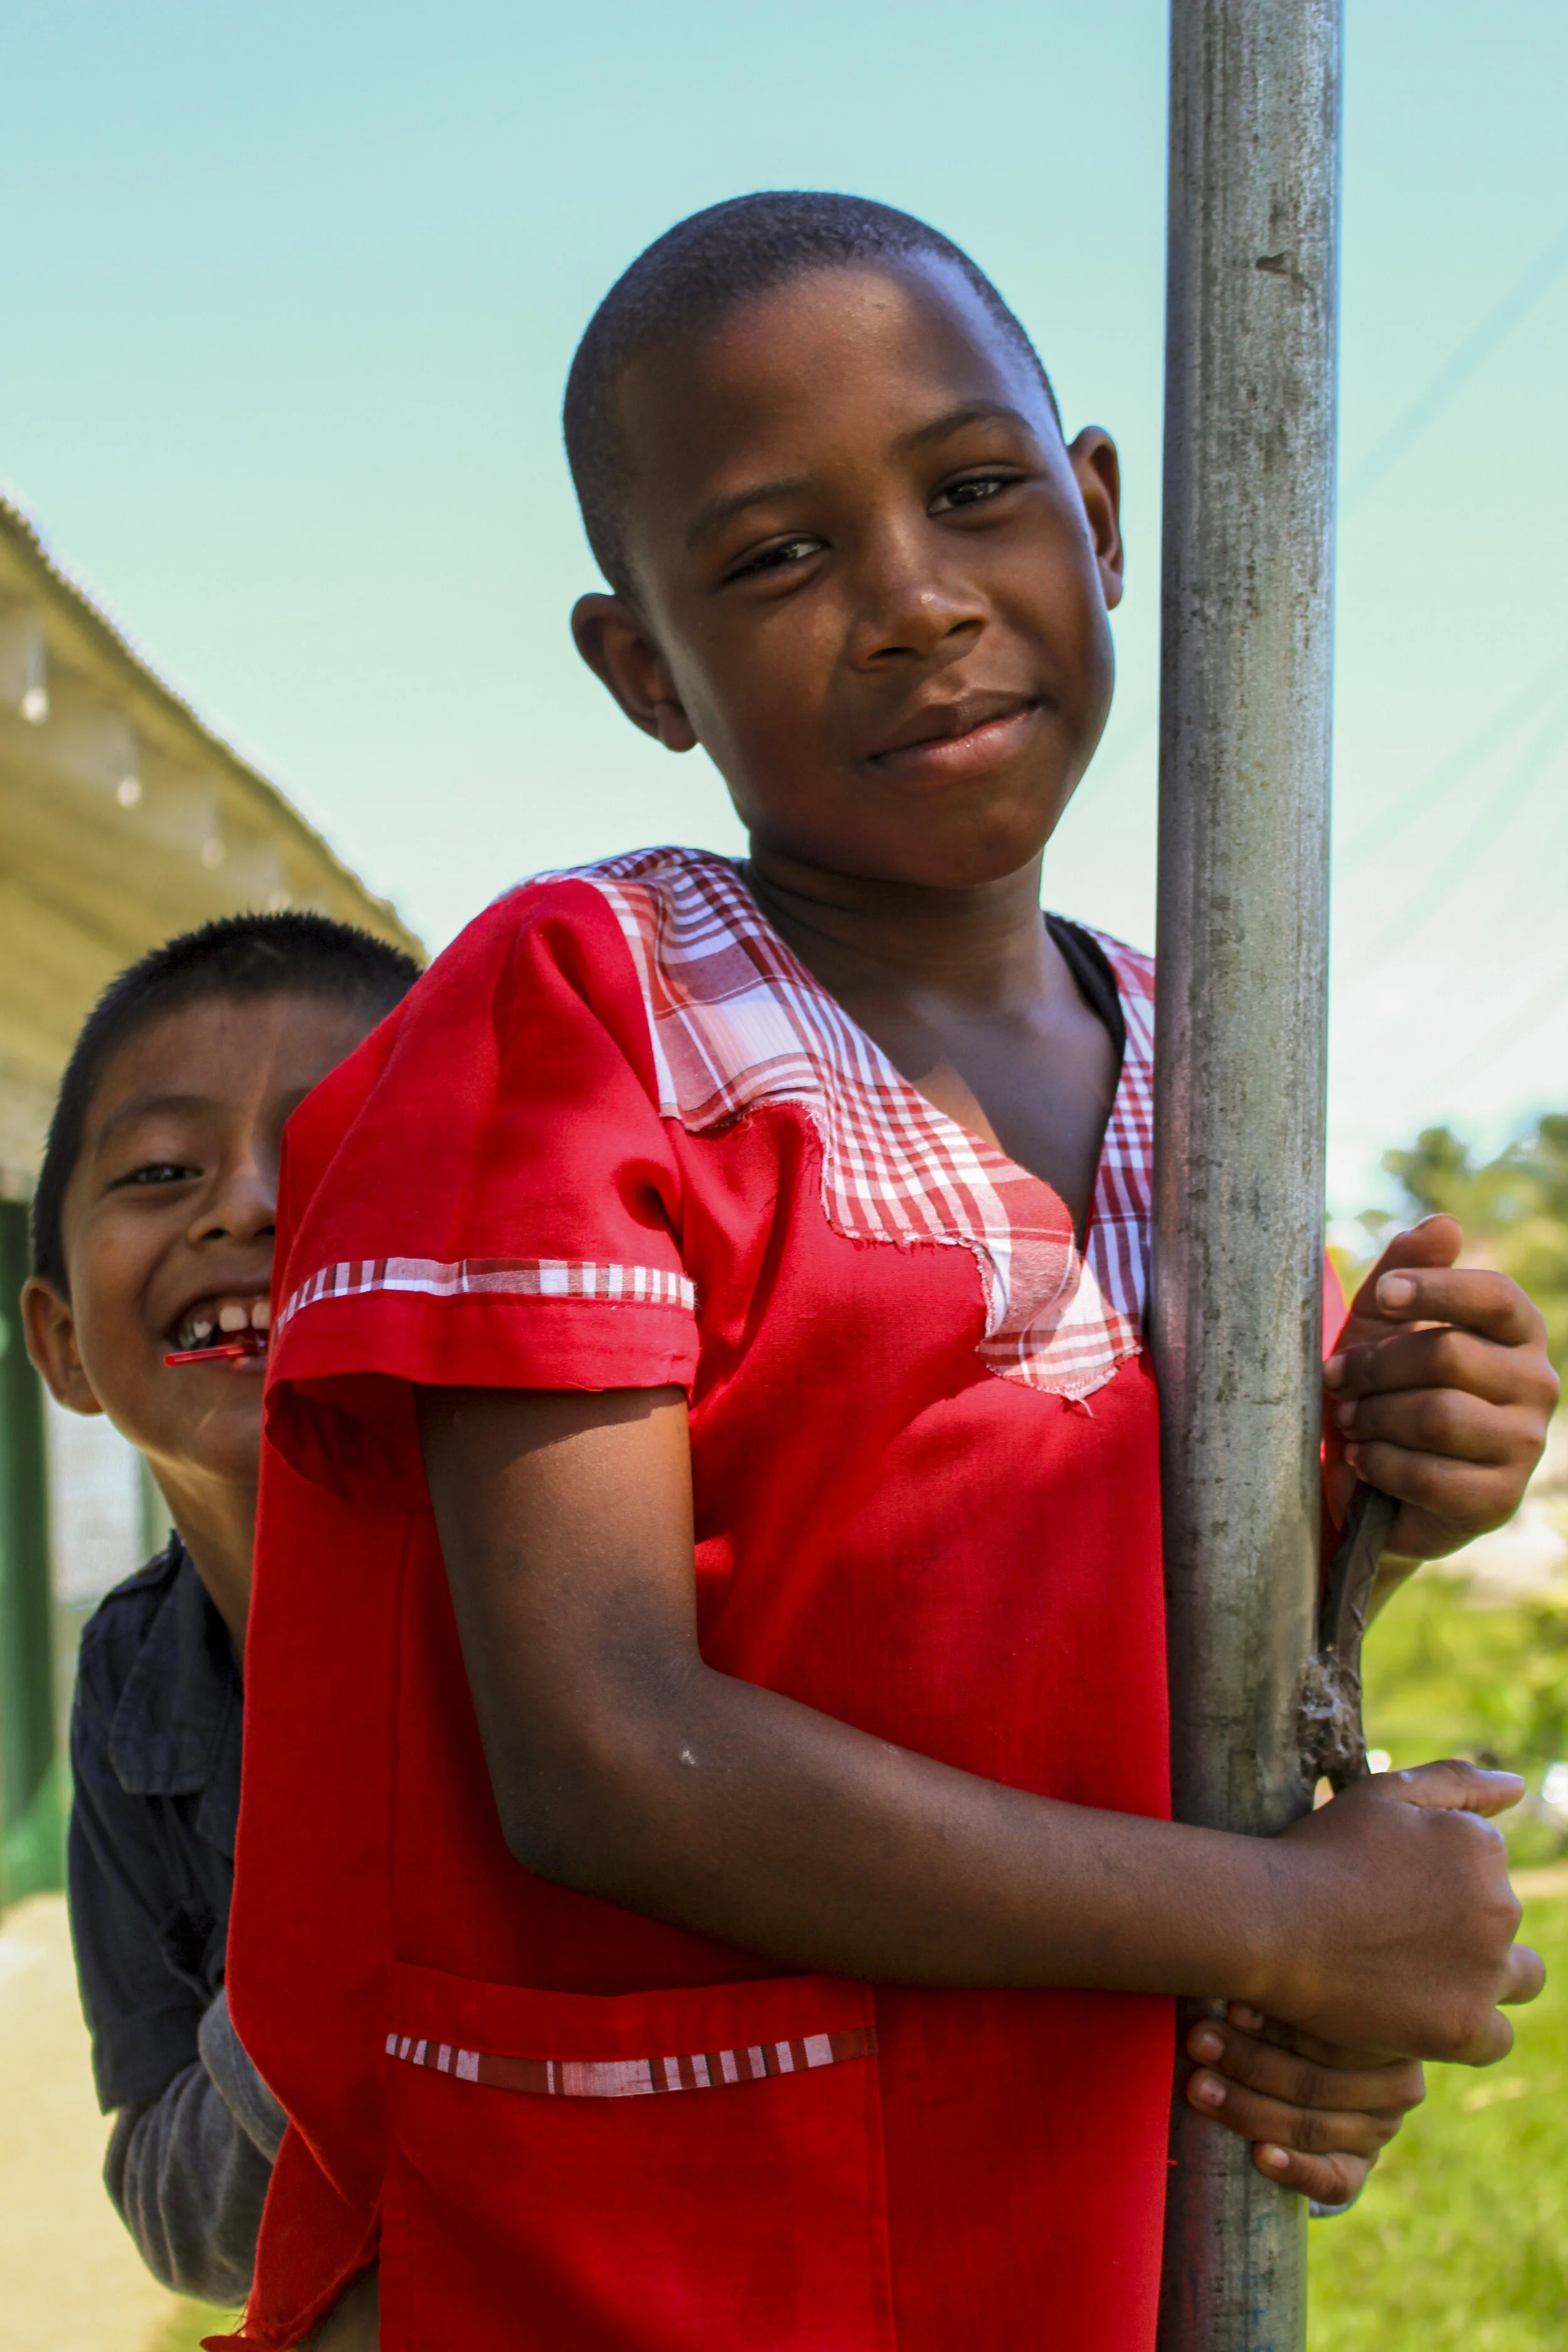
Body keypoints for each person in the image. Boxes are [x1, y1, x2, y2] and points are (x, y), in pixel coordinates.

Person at [227, 195, 1558, 2351]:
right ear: (641, 665)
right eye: (775, 556)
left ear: (1101, 515)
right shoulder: (589, 1013)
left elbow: (1201, 1632)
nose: (917, 604)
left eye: (973, 492)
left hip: (1062, 2235)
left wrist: (1413, 1459)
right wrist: (1286, 1927)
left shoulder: (1206, 1069)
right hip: (636, 2271)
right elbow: (604, 1750)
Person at [22, 913, 418, 2336]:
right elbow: (167, 2212)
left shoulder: (604, 1583)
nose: (246, 1205)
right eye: (161, 1170)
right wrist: (341, 1942)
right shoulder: (131, 1681)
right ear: (62, 1344)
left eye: (331, 1146)